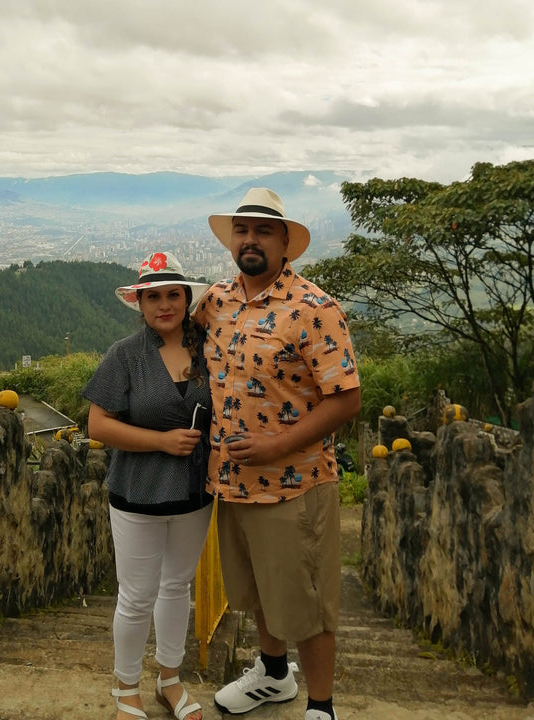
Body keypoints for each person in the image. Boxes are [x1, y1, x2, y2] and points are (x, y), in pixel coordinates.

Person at [194, 188, 361, 720]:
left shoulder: (315, 309)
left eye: (264, 231)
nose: (250, 240)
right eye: (242, 231)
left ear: (285, 242)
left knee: (307, 602)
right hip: (233, 482)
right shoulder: (216, 301)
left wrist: (275, 445)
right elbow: (166, 317)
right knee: (261, 591)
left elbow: (347, 398)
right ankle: (272, 675)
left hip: (297, 484)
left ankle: (322, 706)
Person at [81, 251, 213, 720]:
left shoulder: (209, 348)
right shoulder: (125, 356)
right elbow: (98, 425)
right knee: (136, 595)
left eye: (172, 294)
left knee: (177, 586)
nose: (163, 305)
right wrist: (160, 441)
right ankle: (125, 687)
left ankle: (170, 679)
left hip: (195, 492)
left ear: (186, 298)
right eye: (152, 296)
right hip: (137, 492)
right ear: (139, 303)